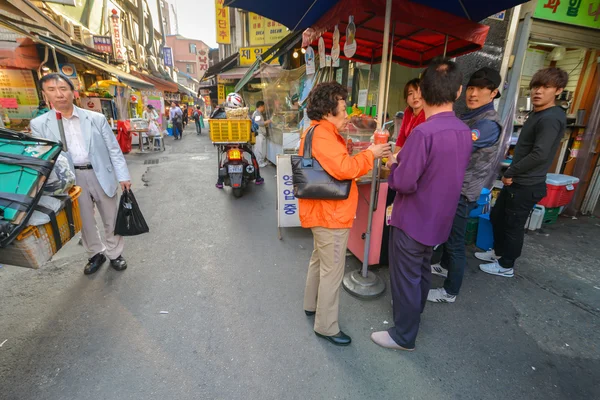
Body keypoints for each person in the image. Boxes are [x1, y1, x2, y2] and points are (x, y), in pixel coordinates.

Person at [371, 59, 472, 351]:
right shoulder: (464, 131)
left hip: (413, 218)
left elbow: (403, 182)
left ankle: (403, 335)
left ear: (424, 93)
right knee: (423, 269)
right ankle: (415, 316)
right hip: (440, 219)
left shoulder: (423, 133)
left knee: (405, 276)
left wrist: (394, 162)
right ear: (458, 92)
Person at [299, 82, 391, 346]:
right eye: (342, 107)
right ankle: (326, 326)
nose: (347, 113)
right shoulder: (324, 134)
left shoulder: (317, 131)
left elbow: (333, 164)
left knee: (320, 261)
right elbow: (344, 170)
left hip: (321, 211)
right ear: (329, 110)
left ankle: (311, 304)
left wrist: (351, 151)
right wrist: (371, 154)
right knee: (332, 270)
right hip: (330, 214)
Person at [30, 73, 131, 275]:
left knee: (111, 218)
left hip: (100, 173)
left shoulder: (95, 118)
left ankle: (114, 253)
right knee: (84, 220)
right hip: (70, 180)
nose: (59, 94)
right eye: (52, 90)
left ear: (72, 92)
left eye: (63, 89)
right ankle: (95, 253)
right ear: (44, 94)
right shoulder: (39, 124)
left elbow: (113, 149)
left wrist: (123, 176)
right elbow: (42, 158)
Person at [476, 67, 568, 277]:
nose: (538, 91)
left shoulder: (551, 118)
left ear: (558, 90)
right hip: (518, 180)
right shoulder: (538, 114)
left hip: (527, 183)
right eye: (536, 86)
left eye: (546, 87)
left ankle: (506, 265)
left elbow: (540, 154)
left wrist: (511, 172)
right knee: (498, 217)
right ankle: (499, 254)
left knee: (513, 225)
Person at [427, 67, 503, 303]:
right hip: (453, 188)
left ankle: (449, 292)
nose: (473, 93)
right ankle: (443, 266)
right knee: (450, 236)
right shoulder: (469, 117)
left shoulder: (488, 124)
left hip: (463, 191)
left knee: (455, 243)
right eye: (471, 87)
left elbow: (457, 146)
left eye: (481, 89)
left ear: (493, 93)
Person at [394, 78, 425, 151]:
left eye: (418, 92)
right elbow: (401, 138)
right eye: (410, 93)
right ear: (406, 99)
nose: (415, 97)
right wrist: (394, 157)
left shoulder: (427, 113)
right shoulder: (408, 111)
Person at [252, 101, 271, 168]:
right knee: (259, 149)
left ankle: (261, 161)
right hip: (258, 134)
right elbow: (259, 123)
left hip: (260, 134)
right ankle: (258, 163)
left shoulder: (258, 113)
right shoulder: (257, 114)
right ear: (261, 106)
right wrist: (268, 121)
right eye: (263, 106)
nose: (264, 108)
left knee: (261, 149)